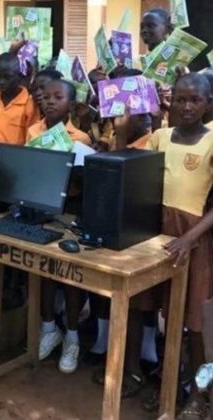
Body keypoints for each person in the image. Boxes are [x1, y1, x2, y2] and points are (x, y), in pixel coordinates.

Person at [127, 74, 213, 415]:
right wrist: (121, 123)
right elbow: (131, 169)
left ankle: (196, 394)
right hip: (158, 235)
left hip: (193, 238)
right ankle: (159, 381)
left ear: (208, 102)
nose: (187, 106)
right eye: (180, 99)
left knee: (193, 323)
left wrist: (190, 238)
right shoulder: (160, 137)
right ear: (170, 101)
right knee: (155, 310)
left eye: (195, 99)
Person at [24, 80, 90, 374]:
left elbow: (82, 184)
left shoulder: (81, 138)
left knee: (69, 278)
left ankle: (72, 337)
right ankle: (49, 328)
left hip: (69, 214)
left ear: (71, 104)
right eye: (46, 97)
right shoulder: (33, 131)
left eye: (58, 97)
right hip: (41, 210)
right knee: (44, 273)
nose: (50, 102)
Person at [0, 53, 40, 164]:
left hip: (16, 165)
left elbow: (32, 141)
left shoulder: (29, 105)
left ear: (19, 76)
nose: (1, 81)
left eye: (7, 77)